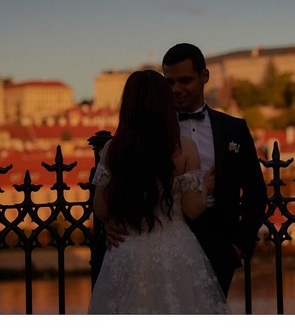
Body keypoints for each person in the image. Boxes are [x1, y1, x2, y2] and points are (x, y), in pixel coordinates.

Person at [105, 43, 268, 296]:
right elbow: (127, 180)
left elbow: (256, 191)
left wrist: (240, 245)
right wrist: (112, 220)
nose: (176, 89)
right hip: (165, 239)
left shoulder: (234, 129)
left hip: (219, 242)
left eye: (185, 80)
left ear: (204, 77)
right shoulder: (147, 132)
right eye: (169, 82)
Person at [88, 69, 228, 314]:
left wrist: (113, 221)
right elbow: (193, 210)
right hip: (175, 250)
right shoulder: (185, 148)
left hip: (126, 250)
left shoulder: (112, 149)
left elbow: (100, 208)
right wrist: (204, 187)